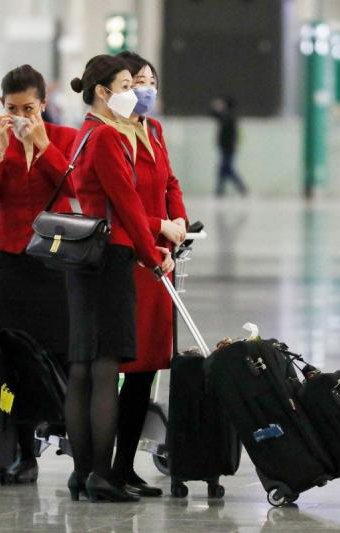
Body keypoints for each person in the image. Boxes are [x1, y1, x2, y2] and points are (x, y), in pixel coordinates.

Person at [65, 54, 174, 503]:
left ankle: (85, 473)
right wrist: (153, 257)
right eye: (127, 85)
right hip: (110, 258)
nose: (134, 92)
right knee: (106, 368)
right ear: (104, 92)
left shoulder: (82, 134)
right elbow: (127, 205)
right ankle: (100, 475)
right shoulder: (107, 137)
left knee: (83, 369)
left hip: (84, 259)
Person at [0, 64, 78, 484]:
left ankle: (75, 447)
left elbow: (71, 188)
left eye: (29, 107)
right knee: (12, 360)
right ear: (2, 106)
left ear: (43, 105)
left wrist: (43, 143)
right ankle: (21, 450)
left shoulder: (65, 138)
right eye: (13, 108)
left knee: (64, 354)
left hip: (56, 262)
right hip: (13, 260)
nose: (21, 116)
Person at [111, 51, 188, 497]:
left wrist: (178, 222)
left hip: (161, 256)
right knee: (129, 365)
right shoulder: (114, 136)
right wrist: (158, 228)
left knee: (147, 370)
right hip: (136, 260)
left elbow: (169, 183)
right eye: (136, 81)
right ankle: (112, 464)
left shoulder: (153, 130)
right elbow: (126, 201)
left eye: (150, 80)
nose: (145, 89)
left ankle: (126, 465)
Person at [210, 96, 248, 197]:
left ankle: (241, 188)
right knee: (224, 169)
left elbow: (217, 116)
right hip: (227, 147)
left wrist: (217, 108)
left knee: (227, 169)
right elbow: (214, 115)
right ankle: (220, 190)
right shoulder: (229, 116)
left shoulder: (229, 116)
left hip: (228, 148)